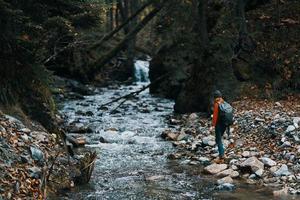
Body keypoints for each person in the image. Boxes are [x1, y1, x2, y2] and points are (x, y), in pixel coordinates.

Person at [210, 90, 227, 163]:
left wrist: (212, 125)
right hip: (225, 124)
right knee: (219, 139)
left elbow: (215, 116)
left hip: (219, 125)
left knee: (218, 140)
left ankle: (221, 157)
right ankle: (222, 153)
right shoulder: (224, 102)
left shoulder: (217, 104)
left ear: (215, 97)